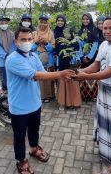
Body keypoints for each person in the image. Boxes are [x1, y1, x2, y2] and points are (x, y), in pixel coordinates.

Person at [6, 27, 75, 174]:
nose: (27, 42)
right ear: (16, 42)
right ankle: (21, 160)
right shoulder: (12, 59)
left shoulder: (33, 56)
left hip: (35, 103)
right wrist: (60, 74)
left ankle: (34, 149)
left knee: (34, 130)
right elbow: (35, 75)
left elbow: (43, 73)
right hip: (19, 107)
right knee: (19, 137)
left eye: (30, 39)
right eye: (23, 39)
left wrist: (62, 75)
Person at [73, 17, 111, 174]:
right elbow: (97, 65)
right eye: (105, 28)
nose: (107, 31)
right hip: (104, 87)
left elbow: (110, 72)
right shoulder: (104, 44)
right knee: (103, 121)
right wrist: (81, 71)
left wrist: (84, 77)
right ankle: (106, 153)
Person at [54, 14, 82, 110]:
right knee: (63, 79)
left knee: (72, 78)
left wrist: (70, 45)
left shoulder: (69, 31)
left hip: (70, 59)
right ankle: (62, 102)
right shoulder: (55, 32)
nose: (60, 22)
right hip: (61, 59)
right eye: (58, 20)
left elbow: (77, 46)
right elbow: (54, 46)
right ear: (56, 22)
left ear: (64, 22)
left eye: (62, 20)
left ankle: (73, 102)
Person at [32, 14, 56, 102]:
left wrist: (46, 43)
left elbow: (53, 49)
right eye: (41, 22)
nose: (43, 24)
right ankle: (40, 95)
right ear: (39, 23)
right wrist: (37, 43)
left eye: (45, 22)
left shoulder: (51, 34)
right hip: (37, 58)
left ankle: (48, 96)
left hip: (47, 58)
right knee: (39, 77)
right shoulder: (34, 33)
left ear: (47, 24)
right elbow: (31, 49)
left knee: (47, 77)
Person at [0, 15, 16, 92]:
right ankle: (5, 92)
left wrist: (11, 56)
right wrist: (5, 55)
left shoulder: (11, 34)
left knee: (12, 76)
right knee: (4, 77)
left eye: (6, 22)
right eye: (2, 22)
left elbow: (13, 46)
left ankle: (11, 91)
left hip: (11, 59)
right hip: (2, 60)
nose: (4, 24)